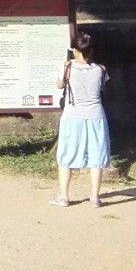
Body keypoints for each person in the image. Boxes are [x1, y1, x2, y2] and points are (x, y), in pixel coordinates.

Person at [52, 29, 111, 207]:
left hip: (73, 116)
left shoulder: (68, 68)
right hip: (96, 116)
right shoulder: (101, 69)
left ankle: (64, 196)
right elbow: (102, 87)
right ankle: (94, 197)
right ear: (91, 51)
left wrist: (66, 67)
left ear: (74, 51)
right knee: (96, 156)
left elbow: (60, 85)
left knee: (66, 155)